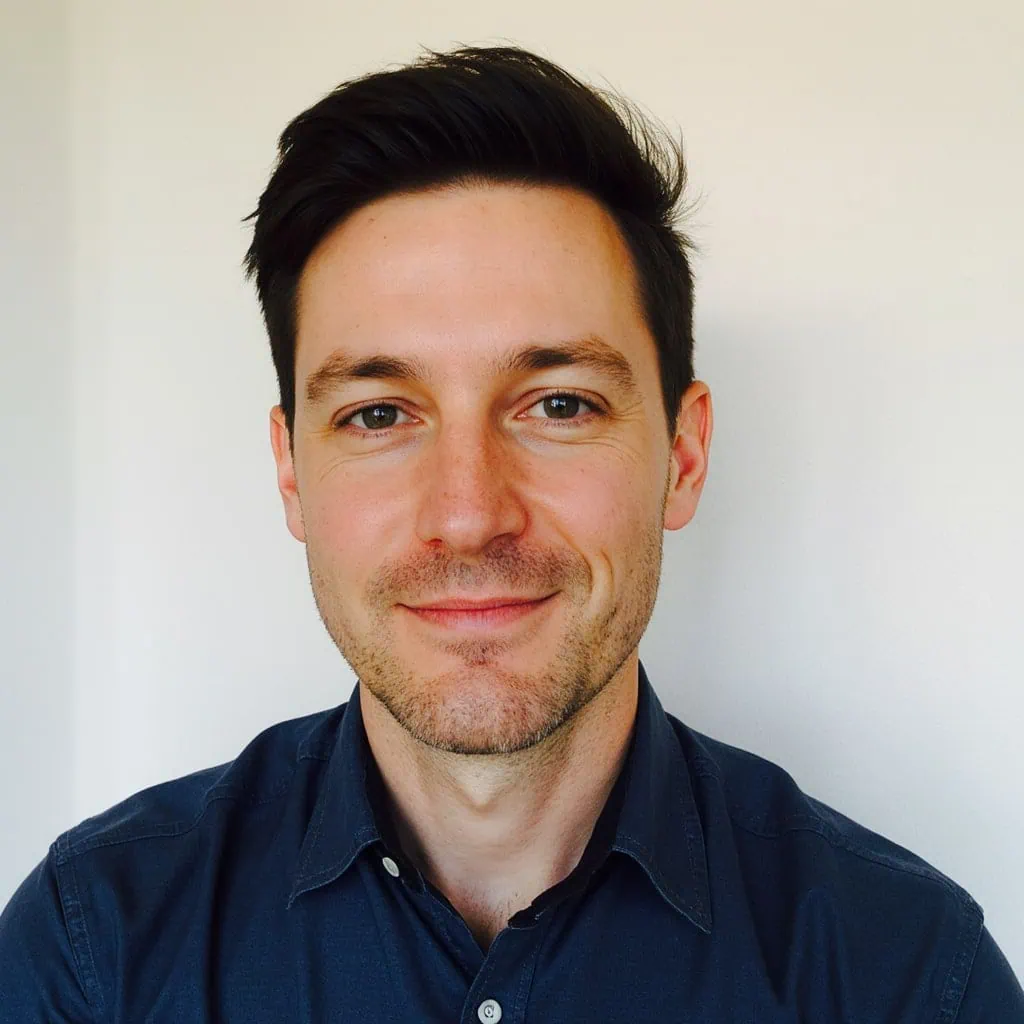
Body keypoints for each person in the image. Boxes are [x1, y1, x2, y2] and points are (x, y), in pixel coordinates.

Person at [1, 44, 1020, 1022]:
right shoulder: (96, 953)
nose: (468, 511)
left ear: (683, 453)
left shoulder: (904, 971)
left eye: (559, 404)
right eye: (378, 414)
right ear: (290, 472)